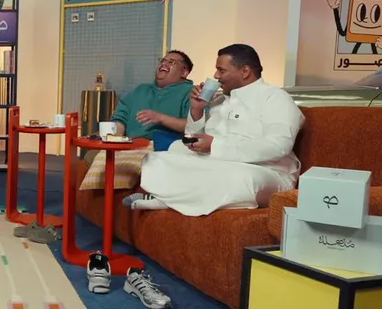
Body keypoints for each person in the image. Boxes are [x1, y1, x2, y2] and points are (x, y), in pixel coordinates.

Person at [126, 43, 305, 216]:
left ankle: (165, 200)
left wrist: (214, 146)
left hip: (266, 171)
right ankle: (175, 199)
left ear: (245, 71)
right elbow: (193, 137)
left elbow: (278, 147)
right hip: (216, 164)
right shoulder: (218, 102)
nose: (216, 76)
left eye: (222, 70)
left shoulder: (275, 98)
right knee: (155, 159)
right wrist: (196, 110)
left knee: (240, 178)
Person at [77, 51, 194, 193]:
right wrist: (115, 137)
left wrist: (161, 118)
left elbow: (192, 126)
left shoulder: (191, 92)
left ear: (184, 72)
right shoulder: (140, 90)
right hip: (129, 144)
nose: (164, 64)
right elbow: (120, 117)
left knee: (149, 163)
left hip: (162, 146)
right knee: (91, 156)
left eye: (171, 62)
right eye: (163, 60)